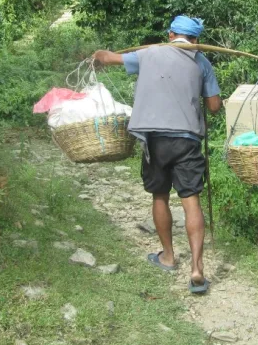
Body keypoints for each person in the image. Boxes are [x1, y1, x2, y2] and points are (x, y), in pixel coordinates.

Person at [92, 15, 222, 294]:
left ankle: (168, 256)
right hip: (186, 138)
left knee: (160, 196)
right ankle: (197, 269)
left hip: (154, 138)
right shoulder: (202, 61)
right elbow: (213, 106)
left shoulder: (149, 53)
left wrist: (98, 56)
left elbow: (108, 58)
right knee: (191, 200)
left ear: (171, 34)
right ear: (196, 39)